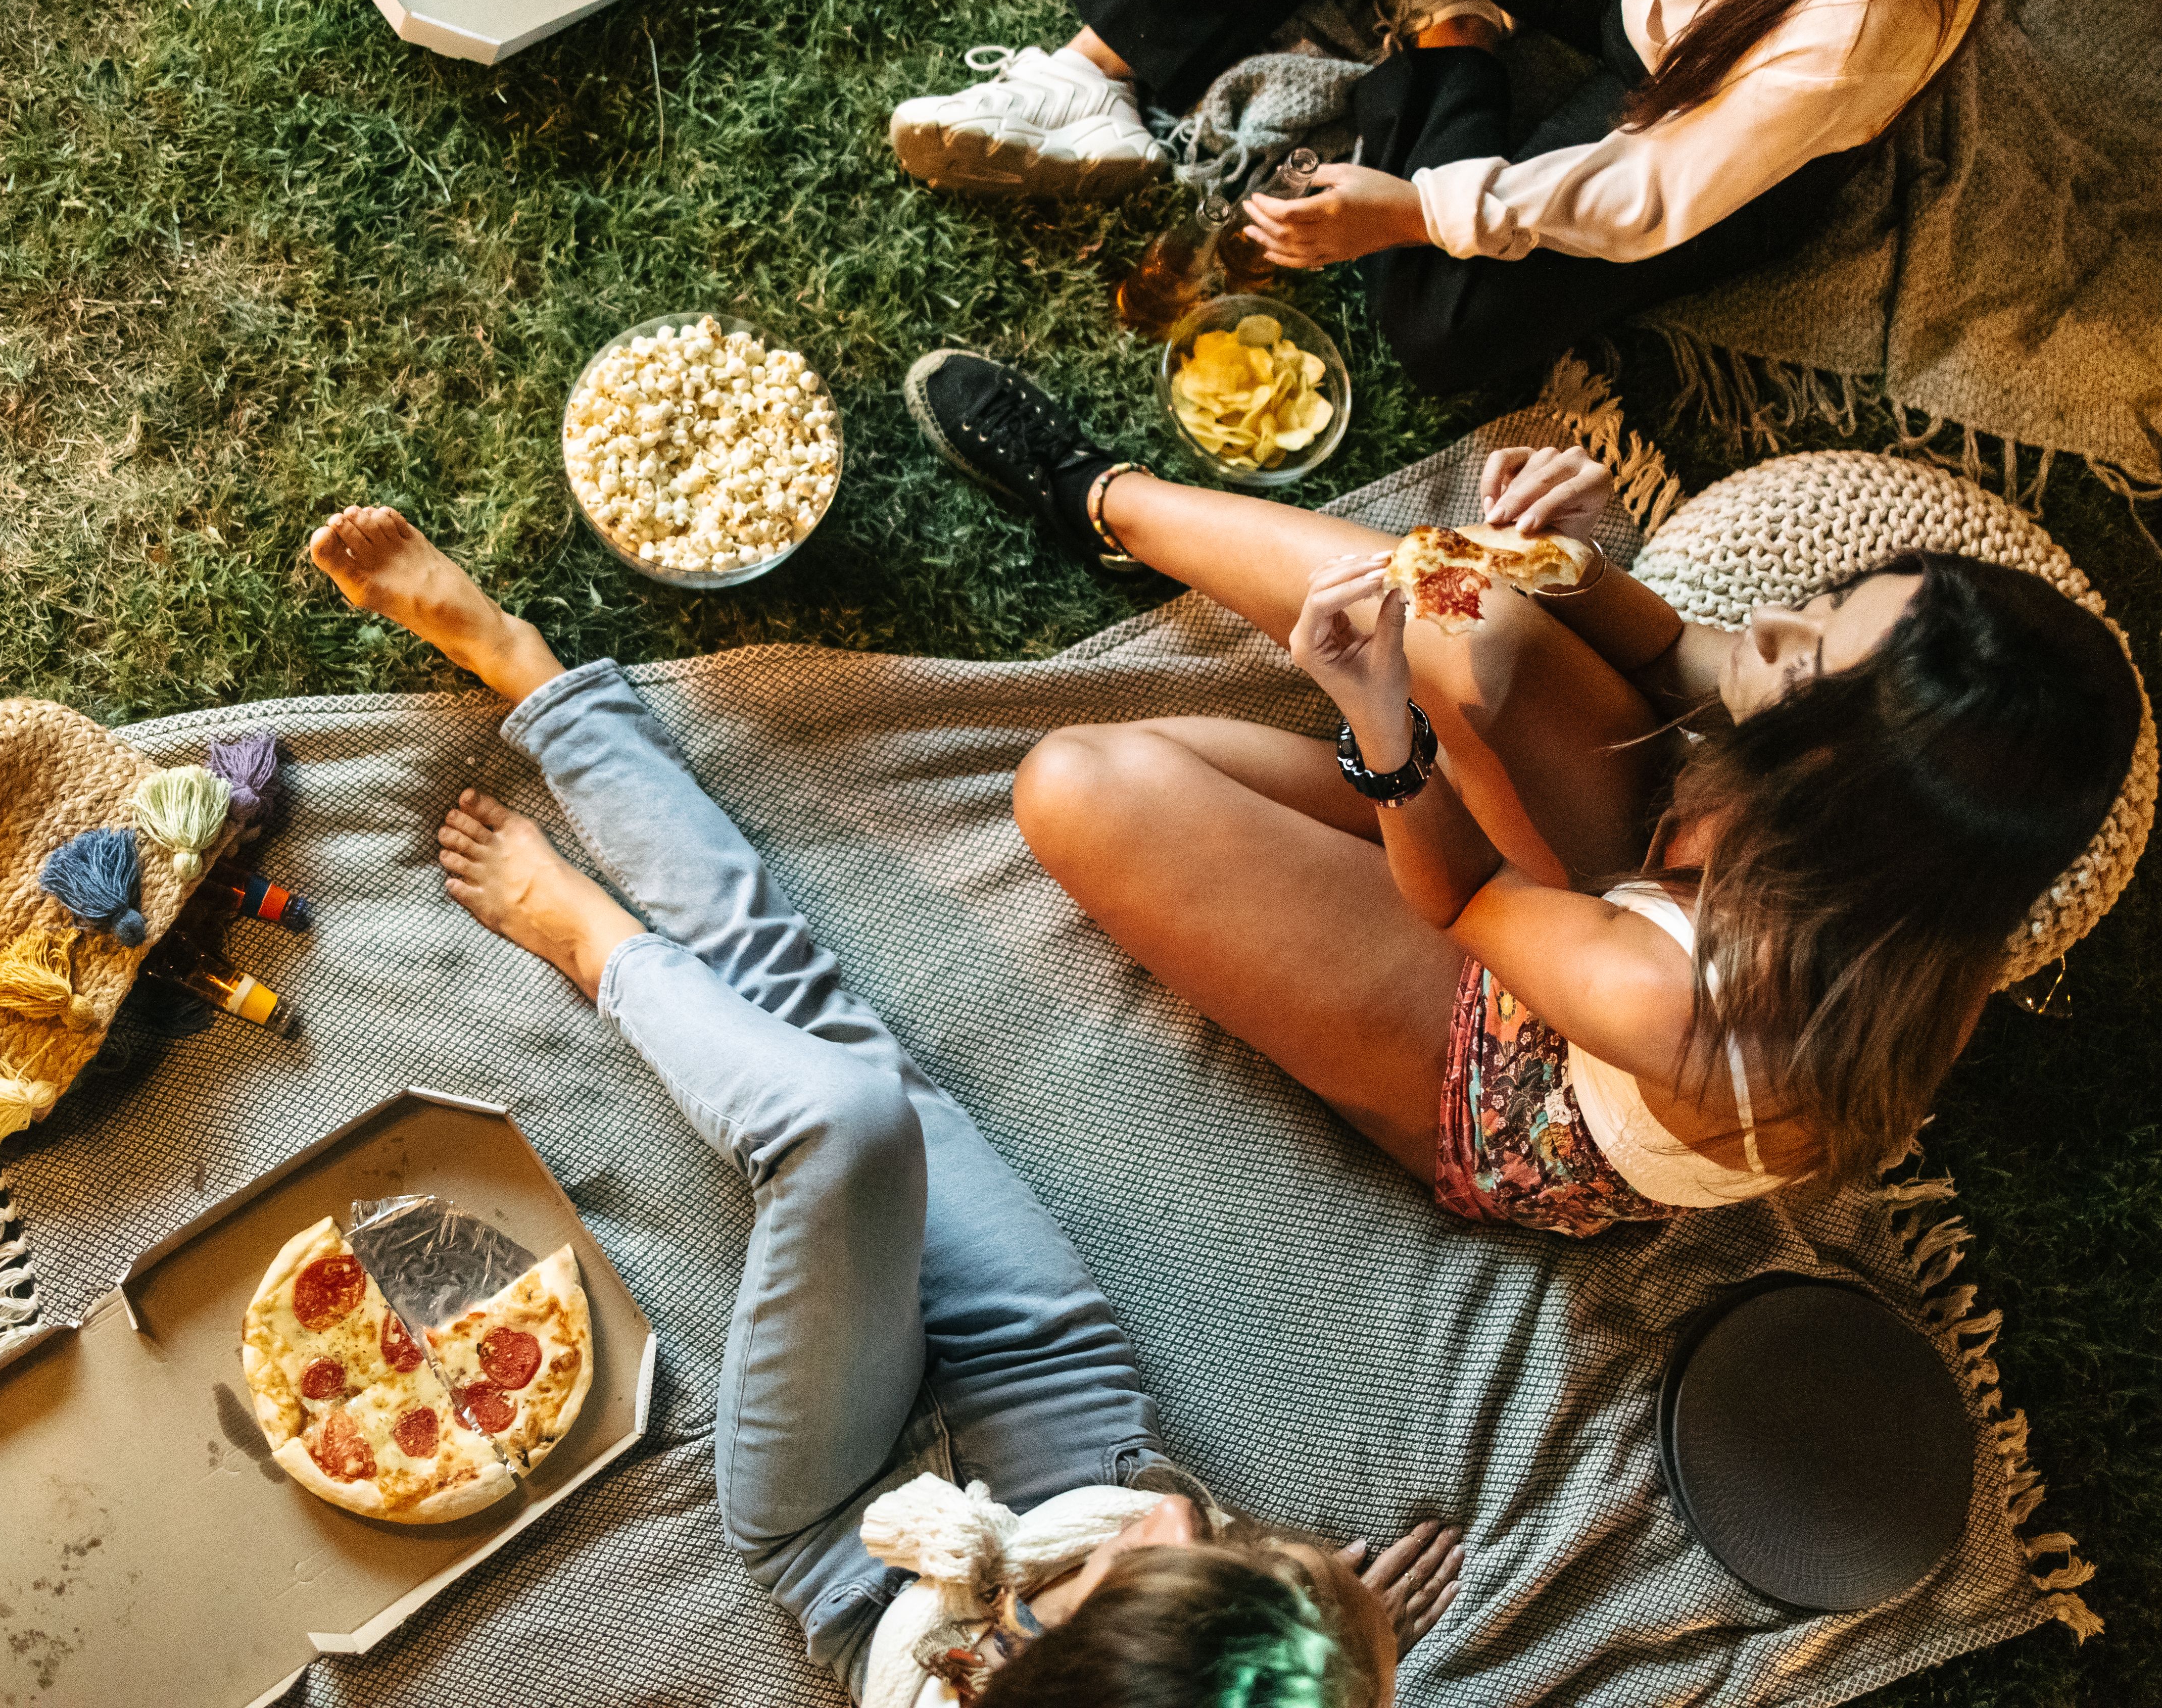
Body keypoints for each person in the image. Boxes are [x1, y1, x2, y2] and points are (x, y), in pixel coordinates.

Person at [304, 505, 1464, 1703]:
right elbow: (1194, 1558)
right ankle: (530, 672)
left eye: (1142, 1574)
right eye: (1216, 1554)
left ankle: (596, 949)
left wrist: (1051, 1595)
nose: (1179, 1525)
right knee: (814, 1022)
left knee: (840, 1124)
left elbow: (961, 1624)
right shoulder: (1228, 1614)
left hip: (851, 1535)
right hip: (1060, 1412)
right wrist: (1295, 1644)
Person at [904, 349, 2141, 1236]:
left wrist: (1382, 724)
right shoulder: (1906, 848)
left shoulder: (1690, 1006)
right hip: (1619, 892)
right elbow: (1672, 652)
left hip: (1520, 1075)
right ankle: (1107, 501)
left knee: (1075, 784)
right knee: (1471, 616)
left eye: (1805, 659)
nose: (1769, 625)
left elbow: (1465, 895)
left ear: (1841, 782)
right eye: (1825, 603)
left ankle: (1314, 696)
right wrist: (1575, 563)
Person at [888, 0, 1994, 390]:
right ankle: (1091, 79)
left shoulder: (1871, 10)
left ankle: (1451, 34)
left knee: (1444, 322)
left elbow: (1651, 190)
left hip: (1695, 116)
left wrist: (1420, 211)